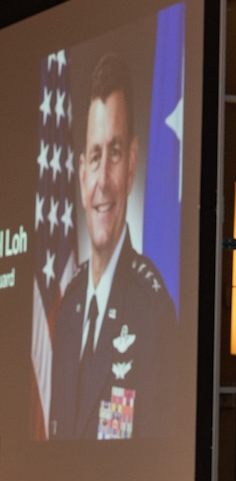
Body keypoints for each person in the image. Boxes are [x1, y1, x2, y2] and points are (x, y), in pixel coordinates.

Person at [49, 52, 177, 440]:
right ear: (79, 169)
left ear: (133, 160)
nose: (103, 180)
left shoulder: (151, 309)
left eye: (115, 153)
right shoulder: (69, 305)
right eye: (94, 156)